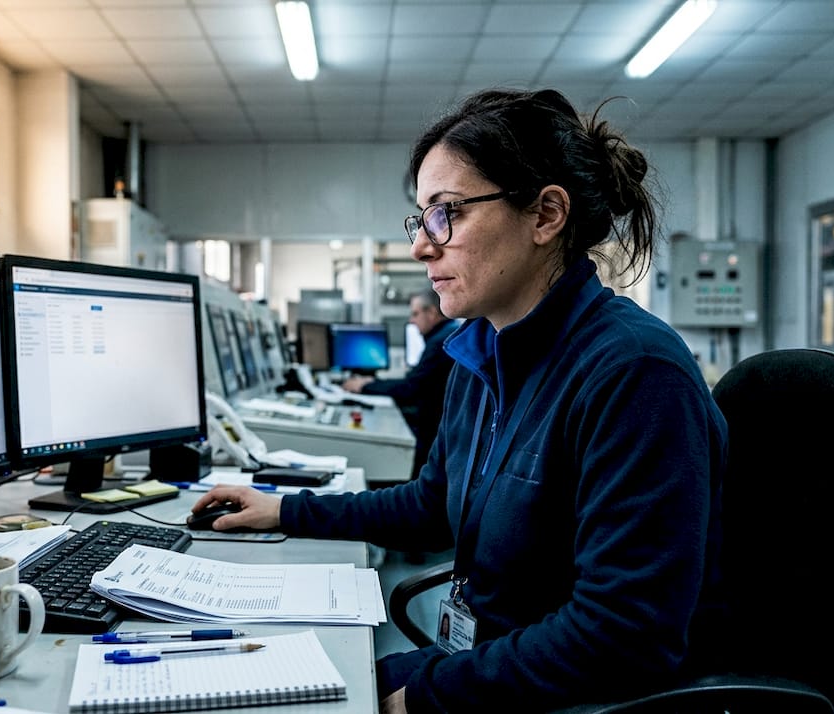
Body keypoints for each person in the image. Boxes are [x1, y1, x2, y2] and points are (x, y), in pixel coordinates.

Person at [192, 88, 728, 713]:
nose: (422, 245)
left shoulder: (635, 373)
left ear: (545, 215)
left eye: (447, 213)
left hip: (571, 695)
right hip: (494, 659)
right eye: (421, 219)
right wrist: (285, 510)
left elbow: (623, 635)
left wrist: (422, 697)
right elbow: (431, 505)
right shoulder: (480, 355)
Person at [341, 287, 456, 478]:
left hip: (434, 436)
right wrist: (374, 382)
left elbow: (411, 388)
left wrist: (364, 386)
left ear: (431, 313)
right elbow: (416, 381)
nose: (411, 320)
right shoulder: (447, 333)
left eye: (415, 314)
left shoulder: (440, 341)